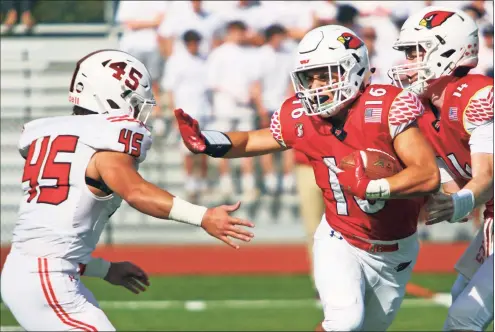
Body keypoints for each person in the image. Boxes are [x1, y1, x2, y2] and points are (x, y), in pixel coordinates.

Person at [175, 25, 440, 331]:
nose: (315, 86)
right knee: (344, 321)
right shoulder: (300, 115)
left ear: (354, 70)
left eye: (325, 75)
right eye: (309, 77)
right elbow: (250, 141)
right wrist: (207, 141)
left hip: (396, 248)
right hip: (340, 238)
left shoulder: (387, 106)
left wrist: (372, 187)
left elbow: (426, 174)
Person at [0, 49, 254, 331]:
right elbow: (136, 192)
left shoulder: (62, 134)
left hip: (32, 272)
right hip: (46, 279)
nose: (138, 113)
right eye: (133, 102)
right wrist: (203, 216)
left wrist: (105, 269)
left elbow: (53, 244)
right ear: (110, 95)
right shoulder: (104, 141)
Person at [389, 6, 494, 331]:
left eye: (414, 52)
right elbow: (453, 195)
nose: (407, 63)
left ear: (448, 51)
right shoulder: (424, 109)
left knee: (466, 316)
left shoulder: (478, 96)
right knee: (461, 295)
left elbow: (487, 179)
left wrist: (457, 202)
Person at [162, 30, 211, 203]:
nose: (194, 46)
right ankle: (191, 182)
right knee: (188, 150)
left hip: (204, 111)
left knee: (204, 148)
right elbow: (170, 89)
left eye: (196, 42)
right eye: (190, 42)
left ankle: (202, 180)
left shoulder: (204, 60)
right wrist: (175, 114)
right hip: (186, 112)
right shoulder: (176, 61)